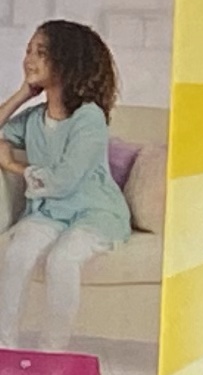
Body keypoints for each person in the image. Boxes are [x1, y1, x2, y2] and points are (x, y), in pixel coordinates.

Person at [0, 21, 130, 349]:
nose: (29, 59)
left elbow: (64, 180)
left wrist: (13, 166)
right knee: (17, 252)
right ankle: (5, 347)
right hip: (49, 212)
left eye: (41, 53)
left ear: (66, 62)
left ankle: (52, 351)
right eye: (29, 51)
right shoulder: (34, 118)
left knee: (63, 260)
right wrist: (22, 94)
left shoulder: (89, 117)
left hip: (94, 212)